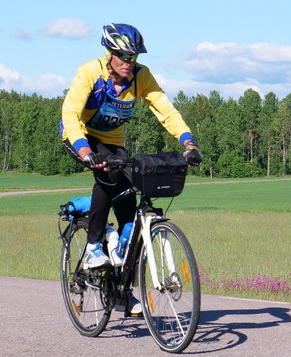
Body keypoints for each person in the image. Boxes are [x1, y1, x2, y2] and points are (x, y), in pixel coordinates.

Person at [60, 23, 202, 310]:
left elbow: (165, 109)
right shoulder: (90, 72)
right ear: (110, 54)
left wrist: (188, 142)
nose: (129, 62)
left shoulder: (141, 77)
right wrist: (84, 150)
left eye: (134, 57)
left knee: (130, 197)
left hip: (113, 140)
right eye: (124, 56)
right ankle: (93, 246)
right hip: (81, 136)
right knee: (108, 173)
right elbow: (71, 113)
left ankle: (120, 290)